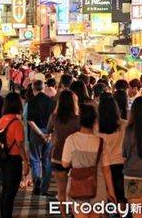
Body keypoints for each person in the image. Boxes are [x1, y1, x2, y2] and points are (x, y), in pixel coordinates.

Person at [62, 104, 116, 218]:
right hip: (98, 187)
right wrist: (111, 191)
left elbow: (65, 163)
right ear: (95, 121)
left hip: (77, 186)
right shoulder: (101, 142)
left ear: (80, 120)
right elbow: (106, 169)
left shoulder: (71, 139)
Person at [47, 90, 80, 218]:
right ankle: (74, 212)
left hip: (57, 156)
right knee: (74, 189)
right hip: (74, 159)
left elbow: (49, 130)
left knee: (61, 189)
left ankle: (63, 214)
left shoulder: (54, 117)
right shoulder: (78, 119)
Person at [0, 92, 29, 218]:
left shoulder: (2, 119)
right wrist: (26, 162)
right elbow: (20, 145)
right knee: (10, 194)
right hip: (14, 160)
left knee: (5, 191)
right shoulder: (16, 122)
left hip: (4, 158)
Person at [96, 93, 128, 212]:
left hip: (103, 166)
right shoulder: (125, 124)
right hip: (122, 165)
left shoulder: (96, 127)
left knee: (105, 198)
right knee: (121, 198)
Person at [27, 80, 55, 195]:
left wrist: (40, 133)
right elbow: (53, 119)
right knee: (47, 160)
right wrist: (48, 133)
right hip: (49, 133)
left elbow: (30, 121)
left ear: (33, 89)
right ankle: (44, 188)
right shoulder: (51, 102)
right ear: (43, 88)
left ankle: (36, 178)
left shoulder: (31, 102)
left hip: (36, 132)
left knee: (34, 158)